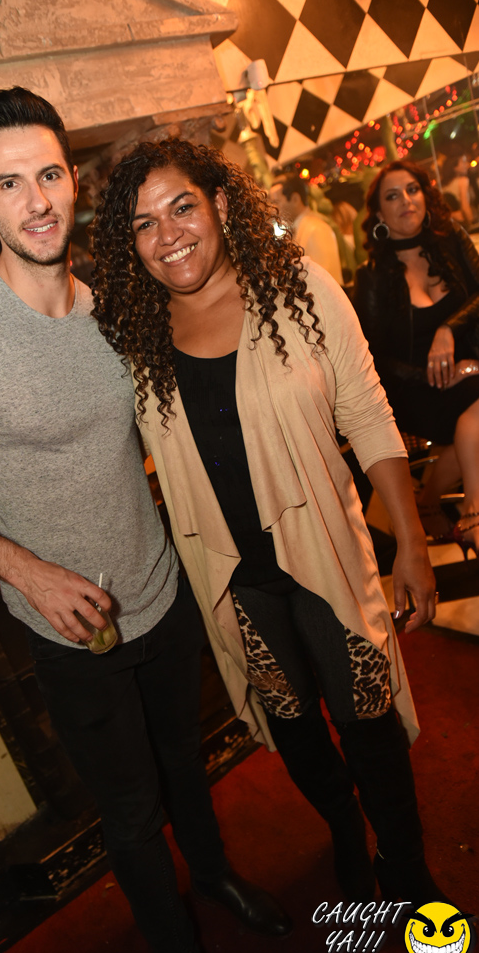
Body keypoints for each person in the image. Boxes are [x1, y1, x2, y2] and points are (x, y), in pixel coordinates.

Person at [0, 88, 290, 953]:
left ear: (74, 182)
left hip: (162, 594)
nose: (36, 202)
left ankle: (215, 877)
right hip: (72, 634)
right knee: (133, 812)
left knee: (187, 761)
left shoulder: (113, 307)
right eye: (10, 184)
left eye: (49, 175)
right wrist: (29, 573)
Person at [90, 137, 448, 909]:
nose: (168, 234)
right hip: (235, 583)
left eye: (181, 207)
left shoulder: (298, 289)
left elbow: (367, 414)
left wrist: (413, 545)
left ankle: (404, 860)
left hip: (325, 554)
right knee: (295, 729)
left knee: (368, 721)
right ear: (130, 244)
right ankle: (343, 827)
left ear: (220, 204)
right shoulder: (136, 337)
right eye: (144, 224)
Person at [353, 161, 479, 555]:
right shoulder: (372, 275)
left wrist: (448, 330)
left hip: (470, 372)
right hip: (414, 389)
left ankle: (429, 503)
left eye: (412, 189)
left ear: (425, 196)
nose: (406, 200)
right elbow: (375, 357)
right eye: (393, 196)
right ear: (379, 214)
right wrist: (435, 376)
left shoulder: (451, 240)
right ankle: (474, 512)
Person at [269, 172, 343, 283]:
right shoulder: (297, 228)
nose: (272, 209)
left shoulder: (316, 229)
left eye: (276, 202)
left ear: (295, 199)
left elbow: (327, 281)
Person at [441, 153, 475, 227]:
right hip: (463, 223)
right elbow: (465, 206)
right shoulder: (463, 181)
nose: (466, 164)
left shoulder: (443, 185)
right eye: (463, 162)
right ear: (454, 167)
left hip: (451, 225)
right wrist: (471, 223)